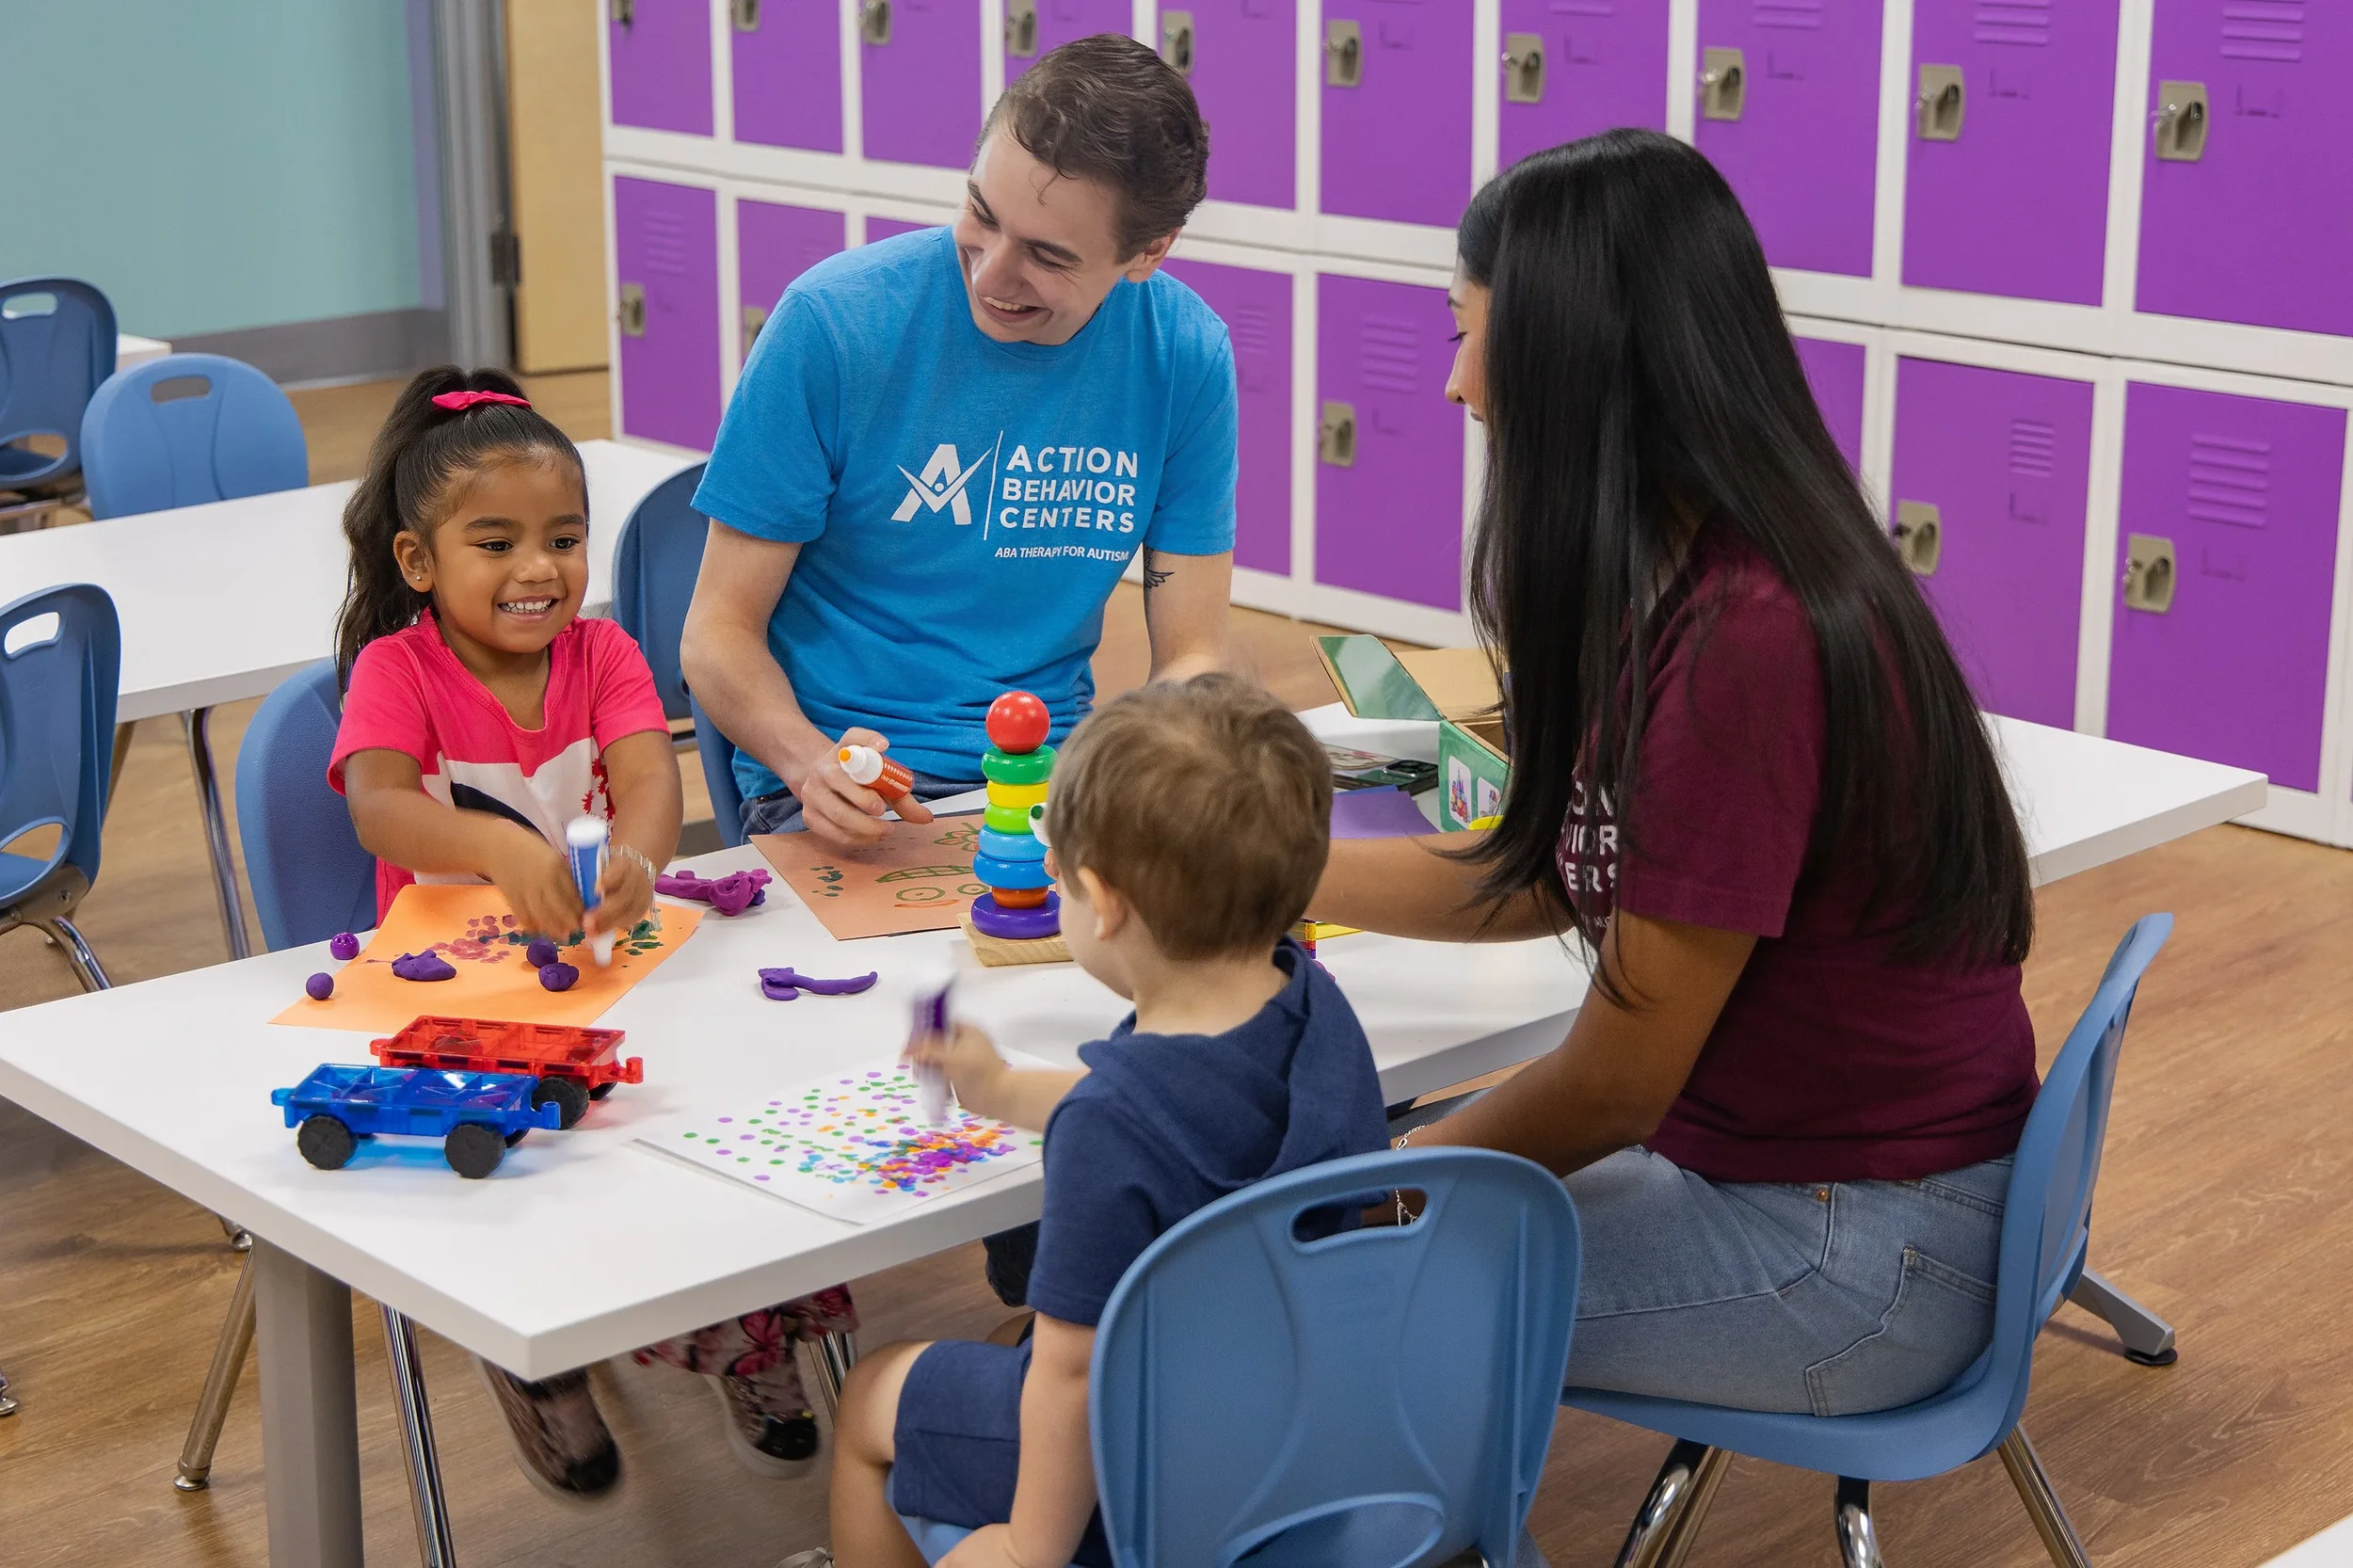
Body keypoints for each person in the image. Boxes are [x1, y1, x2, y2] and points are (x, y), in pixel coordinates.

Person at [1313, 130, 2041, 1416]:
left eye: (1470, 334)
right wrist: (1279, 873)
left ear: (1578, 363)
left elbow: (1613, 1081)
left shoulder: (1745, 641)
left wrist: (1362, 1185)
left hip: (1854, 1248)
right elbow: (1554, 877)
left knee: (1284, 1283)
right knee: (1346, 1208)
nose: (1457, 386)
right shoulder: (1704, 568)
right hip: (1821, 1179)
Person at [328, 366, 853, 1501]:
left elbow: (648, 783)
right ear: (420, 563)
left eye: (563, 539)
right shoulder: (397, 668)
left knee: (725, 1132)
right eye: (496, 542)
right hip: (456, 1009)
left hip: (613, 975)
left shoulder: (604, 654)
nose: (537, 570)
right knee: (529, 1168)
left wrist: (639, 864)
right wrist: (502, 850)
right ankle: (540, 1354)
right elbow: (378, 803)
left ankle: (745, 1338)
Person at [826, 676, 1388, 1568]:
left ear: (1103, 899)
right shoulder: (1314, 1003)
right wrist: (1005, 1087)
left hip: (1150, 1474)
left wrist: (1026, 1549)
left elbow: (1073, 1371)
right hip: (1301, 1422)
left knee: (868, 1397)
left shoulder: (1109, 1128)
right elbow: (1173, 1113)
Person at [680, 34, 1237, 856]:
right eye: (981, 214)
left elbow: (1191, 649)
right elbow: (716, 632)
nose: (989, 274)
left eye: (1046, 256)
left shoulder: (1184, 355)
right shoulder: (834, 325)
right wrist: (808, 766)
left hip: (1048, 782)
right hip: (849, 780)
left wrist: (1158, 768)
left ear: (1148, 253)